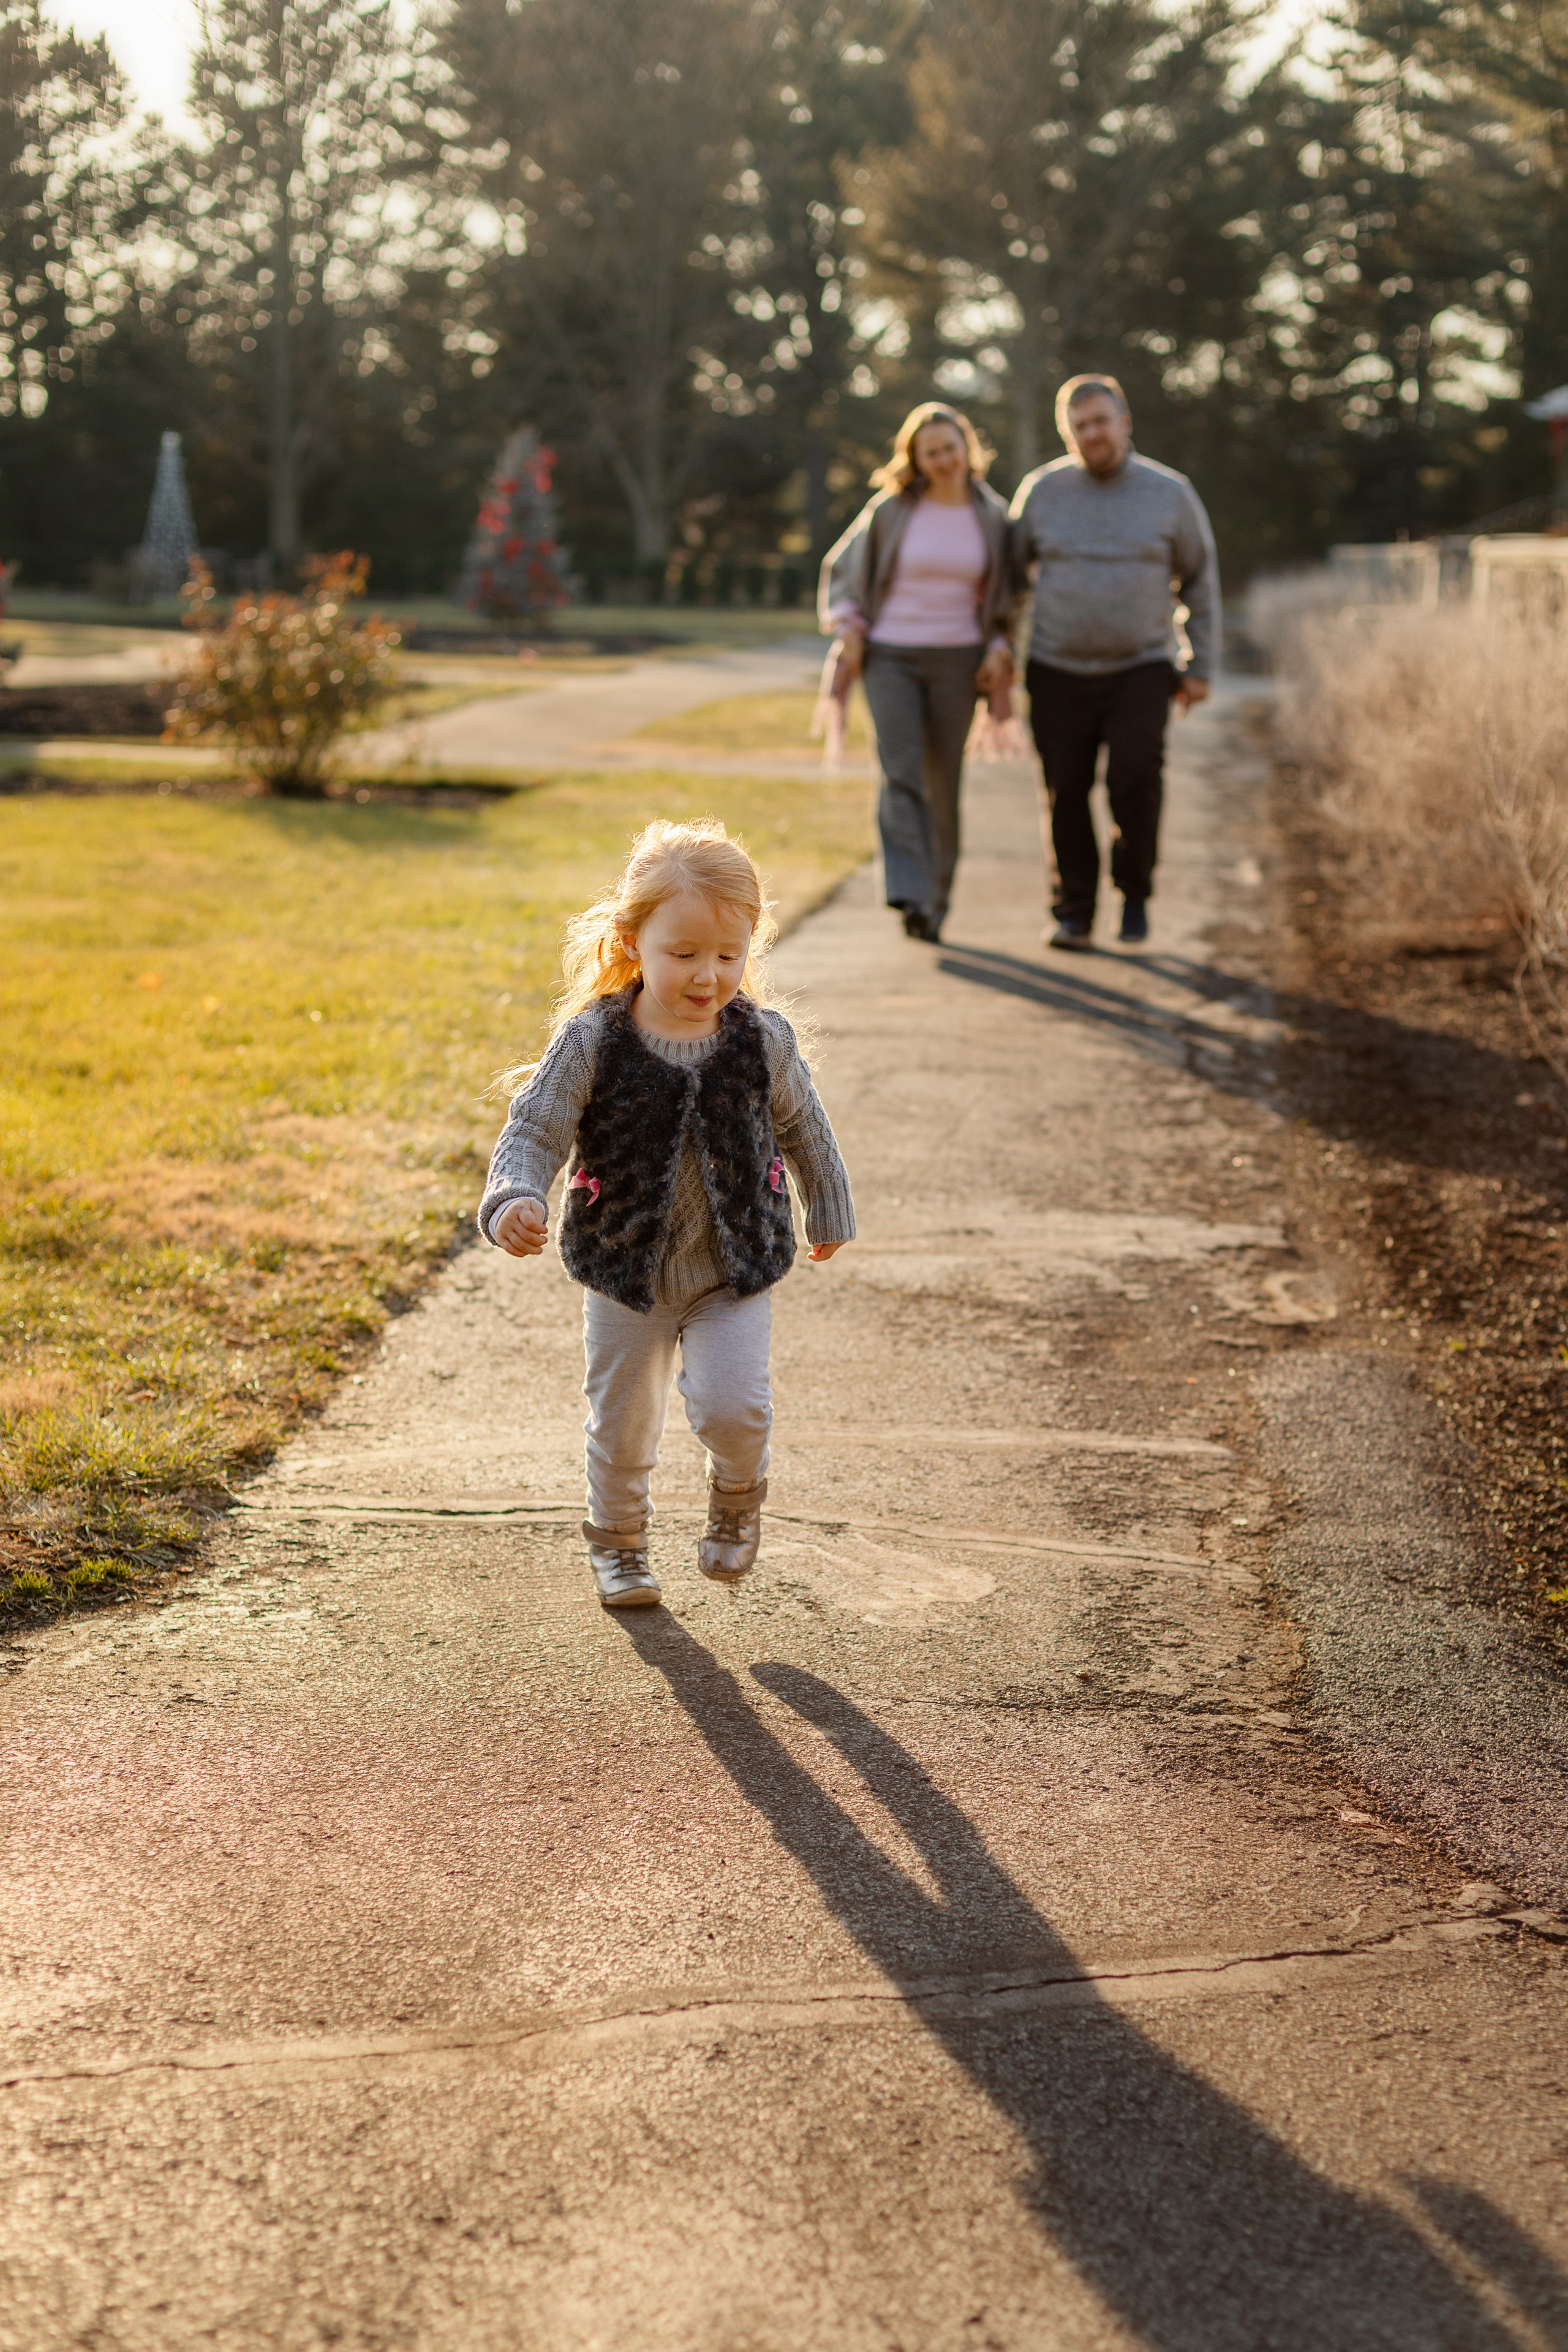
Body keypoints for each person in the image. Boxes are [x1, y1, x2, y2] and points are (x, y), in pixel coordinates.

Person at [478, 820, 854, 1610]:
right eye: (683, 955)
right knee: (621, 1424)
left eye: (728, 955)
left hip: (733, 1266)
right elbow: (536, 1127)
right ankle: (619, 1548)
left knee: (735, 1407)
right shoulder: (594, 1042)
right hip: (624, 1271)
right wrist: (513, 1196)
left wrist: (828, 1206)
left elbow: (804, 1126)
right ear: (633, 939)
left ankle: (737, 1494)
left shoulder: (762, 1041)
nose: (707, 976)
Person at [1009, 374, 1219, 950]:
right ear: (1067, 434)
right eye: (1080, 427)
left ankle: (1134, 895)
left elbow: (1200, 579)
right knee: (1066, 791)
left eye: (1101, 421)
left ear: (1125, 423)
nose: (1092, 434)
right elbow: (1009, 580)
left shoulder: (1170, 493)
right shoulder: (1042, 491)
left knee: (1135, 782)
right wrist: (1001, 647)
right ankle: (1074, 912)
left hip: (1143, 666)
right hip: (1056, 666)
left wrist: (1201, 664)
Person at [817, 402, 1017, 943]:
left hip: (960, 661)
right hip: (891, 655)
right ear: (916, 459)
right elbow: (842, 570)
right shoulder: (892, 509)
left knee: (942, 780)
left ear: (967, 448)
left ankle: (937, 897)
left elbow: (1009, 594)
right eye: (931, 453)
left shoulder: (993, 515)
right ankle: (911, 891)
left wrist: (1000, 644)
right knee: (900, 770)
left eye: (951, 449)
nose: (944, 460)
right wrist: (848, 626)